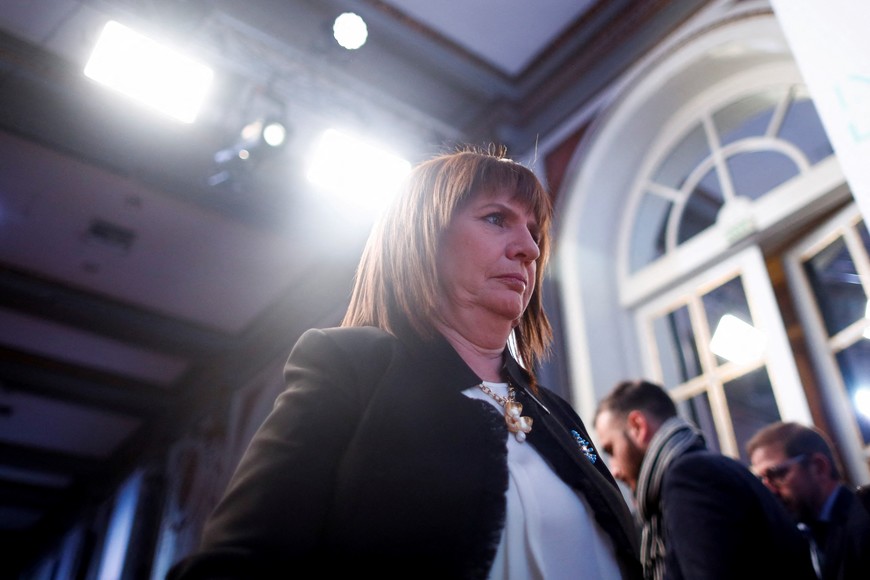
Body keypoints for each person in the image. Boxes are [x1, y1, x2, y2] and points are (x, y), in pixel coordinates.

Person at [167, 148, 643, 579]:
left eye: (534, 233)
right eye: (497, 219)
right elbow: (238, 562)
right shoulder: (352, 366)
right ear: (421, 239)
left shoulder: (559, 413)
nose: (530, 249)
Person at [593, 379, 817, 580]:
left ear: (637, 426)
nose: (614, 470)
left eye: (611, 450)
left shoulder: (690, 476)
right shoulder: (707, 470)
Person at [746, 421, 870, 580]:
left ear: (819, 466)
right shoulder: (795, 537)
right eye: (761, 480)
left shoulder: (865, 517)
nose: (769, 490)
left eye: (776, 474)